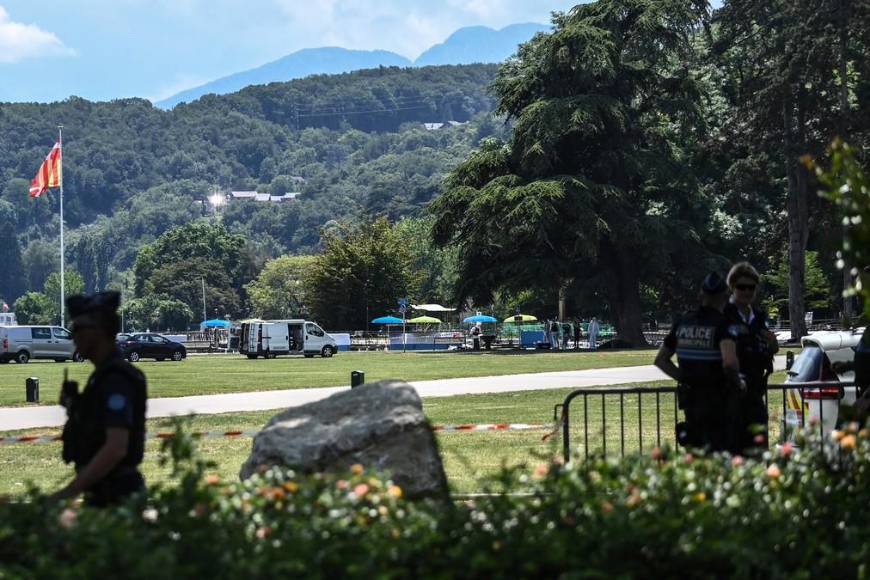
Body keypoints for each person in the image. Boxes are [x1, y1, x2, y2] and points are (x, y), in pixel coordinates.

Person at [51, 291, 148, 507]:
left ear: (97, 331)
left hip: (117, 497)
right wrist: (74, 406)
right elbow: (96, 427)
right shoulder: (102, 377)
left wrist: (70, 491)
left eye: (77, 328)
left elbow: (116, 447)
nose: (72, 336)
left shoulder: (116, 379)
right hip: (103, 492)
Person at [654, 273, 744, 453]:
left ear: (700, 295)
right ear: (724, 298)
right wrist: (739, 383)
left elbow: (661, 360)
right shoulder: (724, 325)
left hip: (691, 403)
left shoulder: (682, 323)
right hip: (719, 403)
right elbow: (729, 363)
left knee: (696, 456)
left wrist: (686, 378)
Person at [724, 262, 778, 452]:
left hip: (755, 394)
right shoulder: (724, 316)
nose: (746, 291)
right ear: (732, 287)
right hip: (729, 396)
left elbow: (765, 349)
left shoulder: (759, 318)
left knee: (759, 451)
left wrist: (773, 346)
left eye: (751, 287)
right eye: (741, 287)